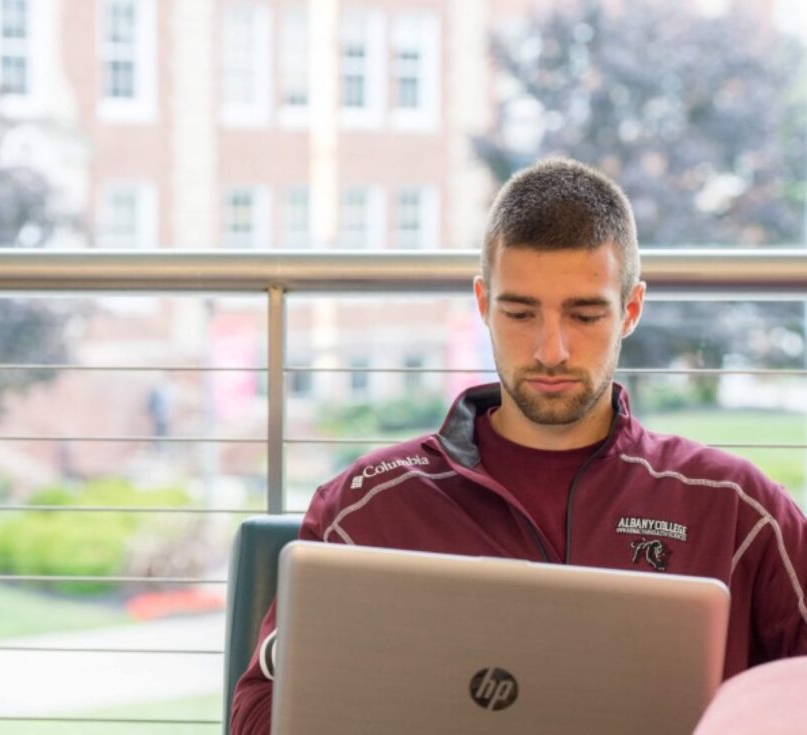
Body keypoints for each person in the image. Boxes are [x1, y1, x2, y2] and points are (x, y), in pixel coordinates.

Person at [230, 158, 807, 734]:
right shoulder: (368, 506)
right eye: (519, 312)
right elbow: (256, 716)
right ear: (483, 303)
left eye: (584, 314)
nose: (550, 349)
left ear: (630, 310)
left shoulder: (737, 511)